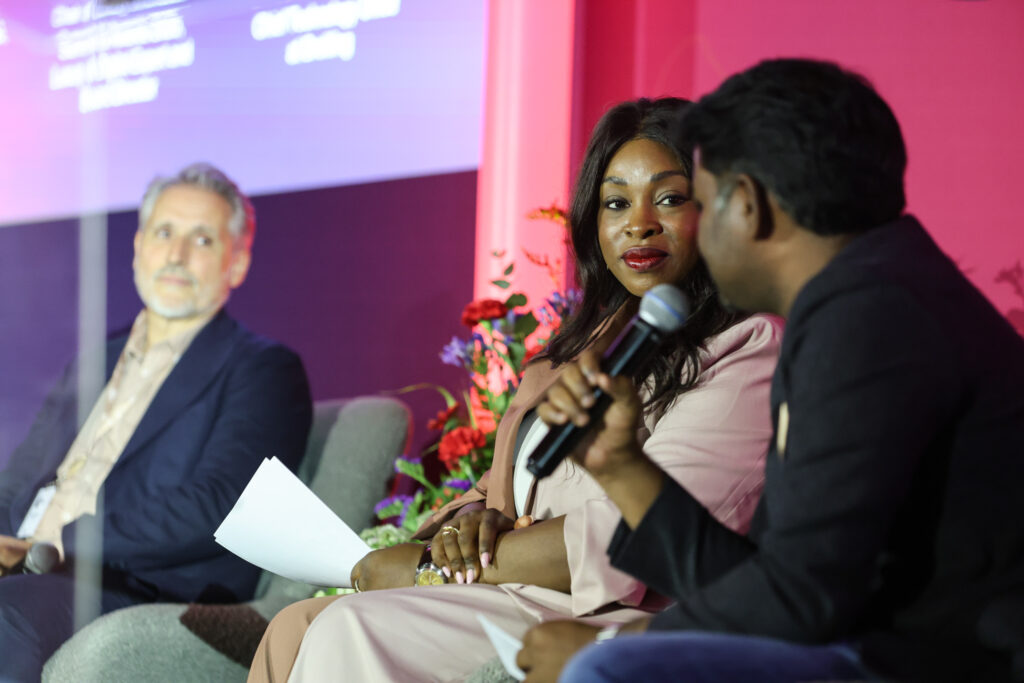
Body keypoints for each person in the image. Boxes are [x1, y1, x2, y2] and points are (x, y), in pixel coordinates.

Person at [516, 58, 1024, 683]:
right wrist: (621, 466)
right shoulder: (867, 295)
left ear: (748, 206)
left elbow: (804, 602)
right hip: (877, 643)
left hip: (943, 663)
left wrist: (613, 645)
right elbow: (774, 578)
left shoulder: (871, 318)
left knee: (608, 673)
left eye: (699, 202)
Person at [247, 97, 783, 682]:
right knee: (292, 626)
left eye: (670, 198)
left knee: (346, 627)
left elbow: (641, 537)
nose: (639, 223)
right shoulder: (589, 343)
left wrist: (431, 569)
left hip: (607, 612)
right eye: (616, 202)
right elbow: (504, 486)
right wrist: (470, 522)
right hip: (513, 589)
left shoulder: (749, 347)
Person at [0, 162, 313, 680]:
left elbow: (219, 504)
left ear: (236, 264)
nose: (177, 254)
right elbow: (18, 481)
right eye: (164, 233)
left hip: (139, 585)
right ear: (138, 247)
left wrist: (54, 544)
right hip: (30, 566)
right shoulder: (94, 361)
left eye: (202, 239)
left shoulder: (261, 368)